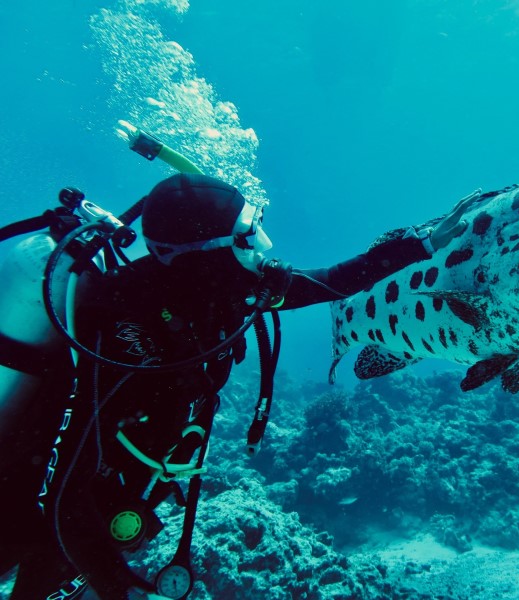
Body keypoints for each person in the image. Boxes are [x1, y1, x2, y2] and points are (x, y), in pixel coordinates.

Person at [0, 158, 478, 599]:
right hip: (30, 509)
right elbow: (63, 499)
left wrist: (423, 244)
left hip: (104, 505)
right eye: (248, 237)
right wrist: (119, 591)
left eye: (257, 228)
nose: (265, 251)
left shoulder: (222, 288)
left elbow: (333, 279)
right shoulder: (128, 333)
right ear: (201, 254)